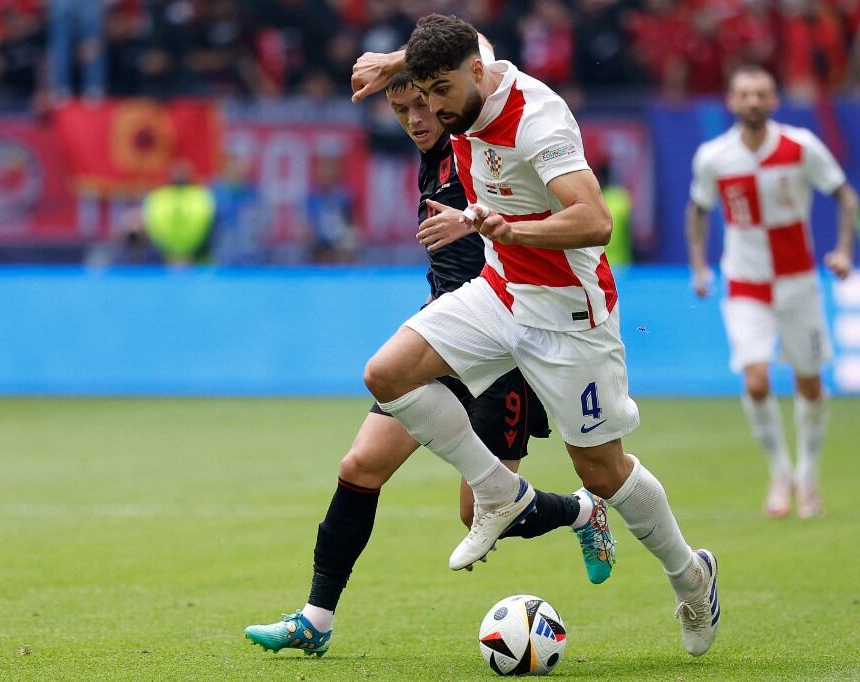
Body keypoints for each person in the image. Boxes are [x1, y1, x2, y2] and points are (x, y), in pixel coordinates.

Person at [348, 14, 719, 657]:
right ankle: (497, 491)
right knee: (386, 373)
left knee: (602, 472)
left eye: (440, 92)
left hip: (570, 315)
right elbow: (453, 39)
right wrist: (392, 61)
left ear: (474, 74)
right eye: (421, 91)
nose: (432, 109)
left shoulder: (537, 120)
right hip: (499, 293)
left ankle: (691, 576)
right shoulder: (469, 62)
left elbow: (594, 220)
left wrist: (510, 230)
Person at [243, 54, 617, 657]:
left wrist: (476, 225)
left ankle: (582, 512)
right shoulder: (430, 152)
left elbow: (479, 58)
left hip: (507, 341)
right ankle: (316, 618)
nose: (417, 119)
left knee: (477, 511)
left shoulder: (480, 131)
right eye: (402, 111)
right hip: (445, 338)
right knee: (361, 465)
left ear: (451, 89)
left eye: (423, 103)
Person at [685, 64, 860, 520]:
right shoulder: (713, 156)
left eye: (761, 94)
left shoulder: (801, 147)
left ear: (775, 99)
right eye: (744, 94)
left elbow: (846, 196)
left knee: (809, 381)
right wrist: (700, 266)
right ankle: (780, 473)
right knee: (757, 380)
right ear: (731, 101)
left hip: (799, 282)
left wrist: (843, 250)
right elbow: (699, 210)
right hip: (745, 284)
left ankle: (808, 475)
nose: (753, 102)